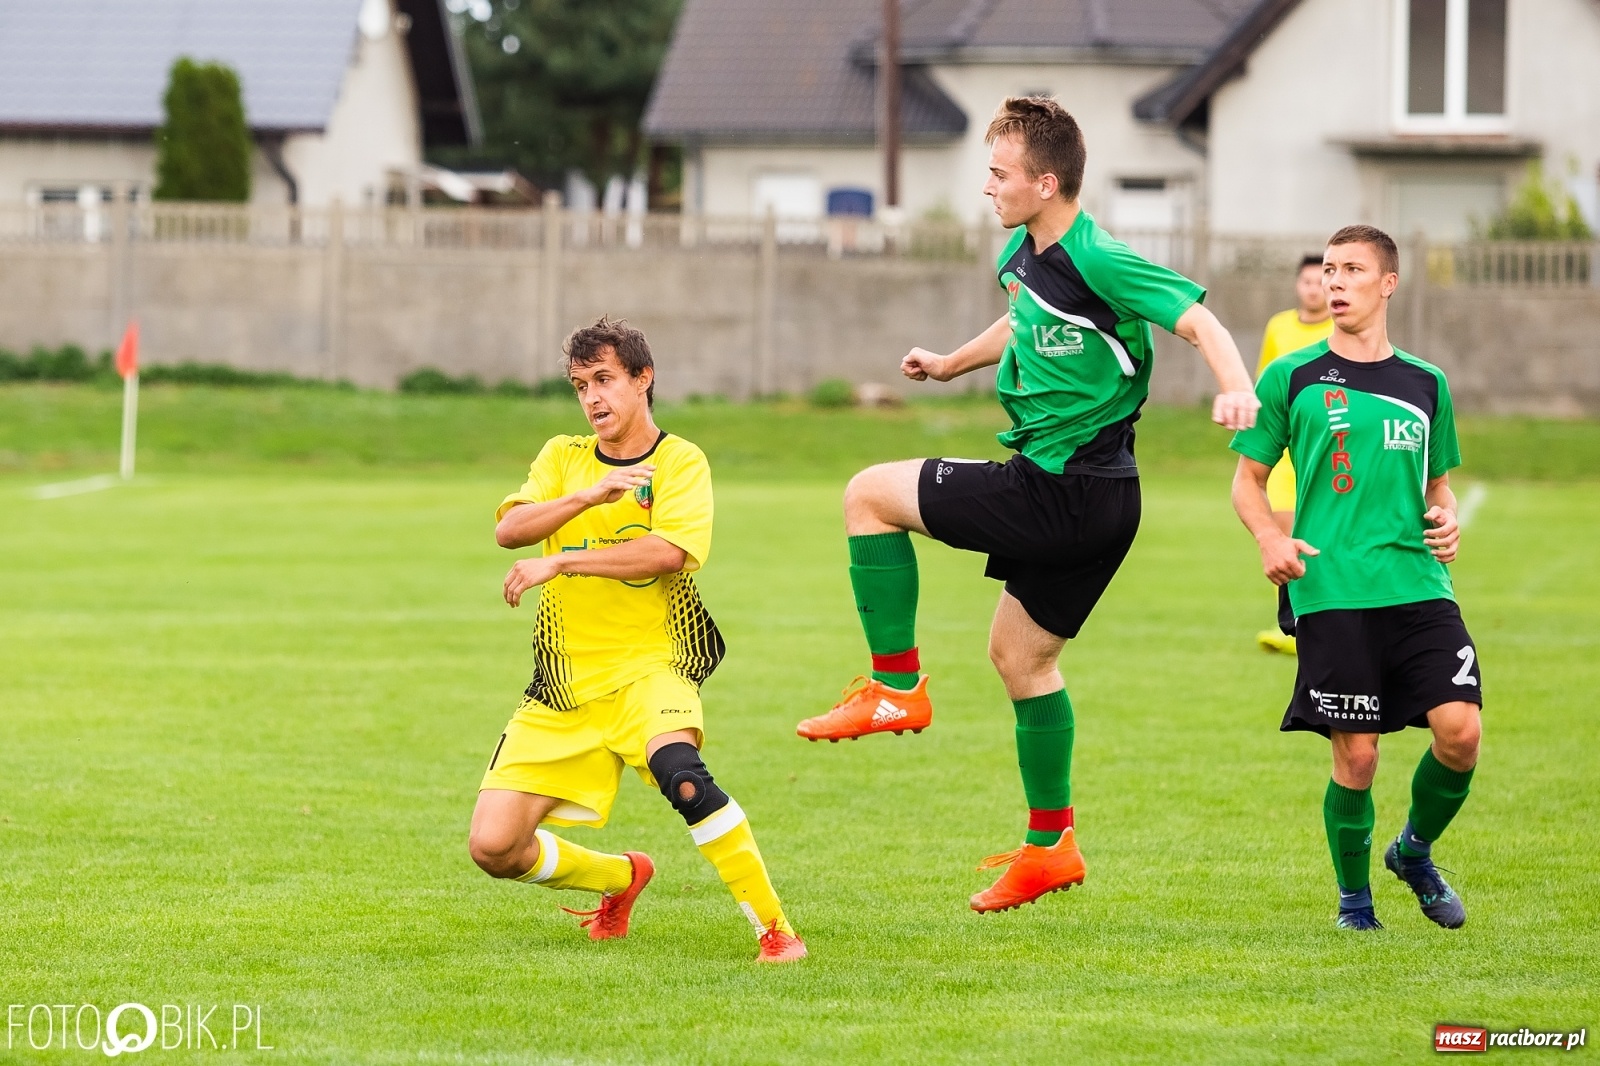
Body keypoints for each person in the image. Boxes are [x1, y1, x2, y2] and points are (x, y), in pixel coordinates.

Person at [794, 96, 1260, 913]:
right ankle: (1051, 847)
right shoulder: (1024, 254)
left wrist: (1238, 389)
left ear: (1046, 183)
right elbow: (1023, 319)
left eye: (999, 174)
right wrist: (950, 364)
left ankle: (896, 685)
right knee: (1023, 661)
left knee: (867, 495)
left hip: (1059, 490)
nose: (988, 187)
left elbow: (1201, 324)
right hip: (1104, 502)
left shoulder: (1101, 256)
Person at [468, 316, 805, 962]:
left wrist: (562, 561)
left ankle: (776, 930)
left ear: (643, 378)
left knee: (684, 777)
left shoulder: (680, 461)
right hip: (564, 687)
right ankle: (622, 878)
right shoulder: (563, 457)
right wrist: (589, 497)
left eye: (605, 380)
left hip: (652, 670)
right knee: (494, 848)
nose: (592, 398)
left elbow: (668, 552)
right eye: (580, 386)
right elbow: (511, 531)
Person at [1230, 225, 1481, 931]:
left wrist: (1447, 517)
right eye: (1330, 269)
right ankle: (1355, 904)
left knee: (1461, 733)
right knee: (1359, 756)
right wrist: (1270, 537)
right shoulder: (1292, 376)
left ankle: (1414, 851)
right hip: (1331, 586)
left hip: (1418, 582)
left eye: (1352, 270)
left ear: (1388, 283)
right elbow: (1247, 481)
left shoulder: (1427, 383)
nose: (1334, 282)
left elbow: (1438, 486)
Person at [1253, 253, 1335, 655]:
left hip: (1327, 451)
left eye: (1320, 282)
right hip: (1286, 454)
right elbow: (1265, 381)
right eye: (1306, 282)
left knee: (1324, 537)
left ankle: (1326, 617)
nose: (1313, 289)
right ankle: (1292, 623)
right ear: (1297, 285)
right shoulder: (1279, 326)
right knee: (1284, 535)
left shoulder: (1340, 330)